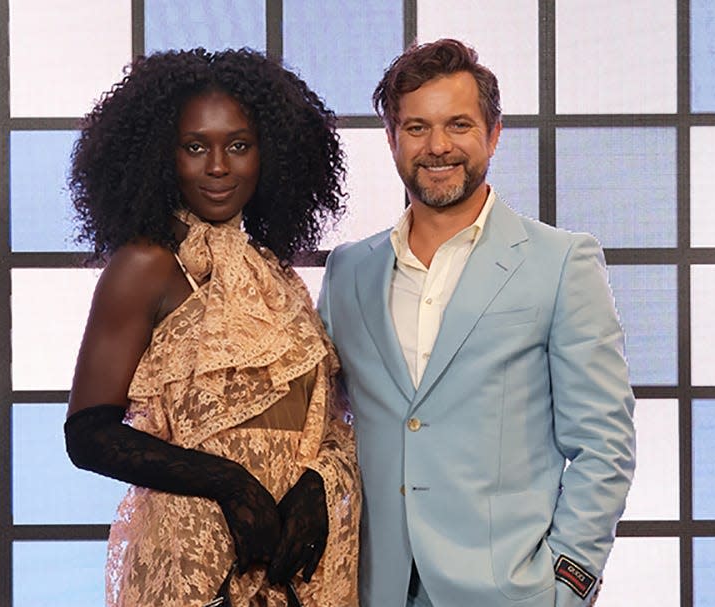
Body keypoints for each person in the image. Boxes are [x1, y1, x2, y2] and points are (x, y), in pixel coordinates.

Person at [318, 38, 635, 607]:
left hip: (513, 592)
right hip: (373, 590)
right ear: (391, 140)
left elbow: (604, 444)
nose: (438, 146)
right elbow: (325, 429)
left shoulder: (562, 262)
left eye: (458, 124)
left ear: (493, 133)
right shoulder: (347, 273)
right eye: (416, 128)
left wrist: (567, 584)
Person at [63, 48, 360, 607]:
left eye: (239, 146)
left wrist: (318, 487)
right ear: (161, 156)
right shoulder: (146, 265)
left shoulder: (274, 274)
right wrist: (231, 485)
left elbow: (324, 420)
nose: (218, 166)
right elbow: (89, 433)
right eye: (195, 146)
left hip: (294, 568)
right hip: (194, 566)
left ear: (268, 154)